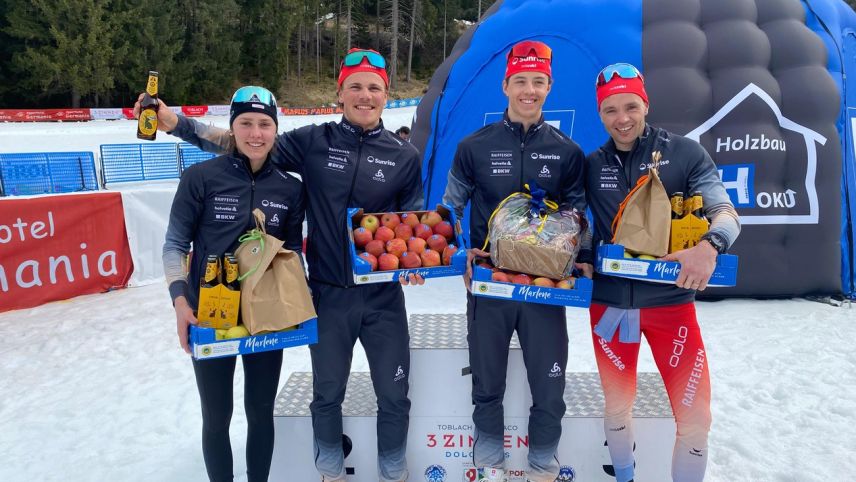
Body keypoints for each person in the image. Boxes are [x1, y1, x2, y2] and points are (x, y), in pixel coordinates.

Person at [139, 48, 423, 482]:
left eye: (374, 88)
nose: (365, 96)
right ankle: (331, 470)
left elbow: (414, 226)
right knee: (326, 393)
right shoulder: (313, 141)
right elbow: (246, 140)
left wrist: (415, 259)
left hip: (383, 297)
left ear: (387, 95)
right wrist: (180, 125)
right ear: (340, 93)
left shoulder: (404, 156)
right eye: (355, 86)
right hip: (327, 295)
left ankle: (393, 470)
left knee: (394, 391)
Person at [582, 63, 741, 482]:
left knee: (696, 419)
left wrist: (710, 247)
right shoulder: (591, 164)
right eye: (611, 109)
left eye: (631, 106)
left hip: (672, 309)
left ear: (646, 104)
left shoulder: (685, 153)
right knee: (617, 408)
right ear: (600, 114)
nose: (622, 118)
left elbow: (726, 213)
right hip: (610, 309)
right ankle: (625, 476)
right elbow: (574, 228)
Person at [442, 40, 587, 482]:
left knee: (549, 382)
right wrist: (460, 248)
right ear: (505, 85)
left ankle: (543, 461)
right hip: (491, 282)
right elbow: (451, 208)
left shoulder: (566, 151)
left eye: (538, 82)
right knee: (487, 383)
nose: (529, 90)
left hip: (545, 286)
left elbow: (579, 214)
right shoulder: (474, 146)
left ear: (549, 87)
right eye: (521, 81)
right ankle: (487, 460)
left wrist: (580, 256)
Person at [162, 86, 306, 482]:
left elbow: (292, 252)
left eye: (264, 124)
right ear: (232, 127)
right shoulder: (200, 177)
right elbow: (175, 244)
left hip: (266, 315)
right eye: (245, 123)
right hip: (210, 313)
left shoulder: (291, 188)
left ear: (276, 130)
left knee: (261, 412)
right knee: (217, 415)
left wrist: (297, 297)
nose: (255, 134)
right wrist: (179, 300)